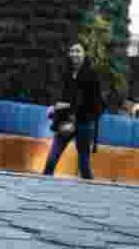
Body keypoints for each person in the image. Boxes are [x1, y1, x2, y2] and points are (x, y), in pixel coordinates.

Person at [42, 42, 104, 180]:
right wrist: (54, 107)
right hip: (64, 121)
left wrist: (69, 109)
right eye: (72, 51)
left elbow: (95, 103)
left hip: (83, 123)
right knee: (51, 159)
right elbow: (62, 97)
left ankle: (91, 192)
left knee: (84, 165)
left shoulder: (92, 75)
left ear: (84, 54)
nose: (74, 54)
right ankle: (42, 186)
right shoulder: (66, 73)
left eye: (78, 51)